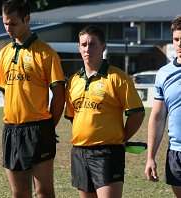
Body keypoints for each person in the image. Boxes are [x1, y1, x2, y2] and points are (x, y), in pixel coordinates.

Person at [0, 0, 65, 197]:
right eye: (5, 23)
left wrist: (50, 126)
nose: (8, 28)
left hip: (38, 129)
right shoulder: (3, 53)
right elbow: (5, 91)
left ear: (27, 19)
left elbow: (59, 95)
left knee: (44, 192)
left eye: (13, 23)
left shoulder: (45, 52)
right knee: (18, 193)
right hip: (11, 130)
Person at [64, 25, 145, 198]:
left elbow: (137, 113)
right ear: (79, 47)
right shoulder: (73, 81)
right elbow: (74, 116)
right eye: (83, 44)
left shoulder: (118, 78)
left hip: (107, 153)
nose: (87, 49)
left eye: (92, 44)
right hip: (79, 152)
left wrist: (121, 138)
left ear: (103, 47)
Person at [145, 15, 181, 197]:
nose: (179, 44)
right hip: (176, 153)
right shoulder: (164, 74)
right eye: (176, 39)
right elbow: (158, 118)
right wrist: (150, 157)